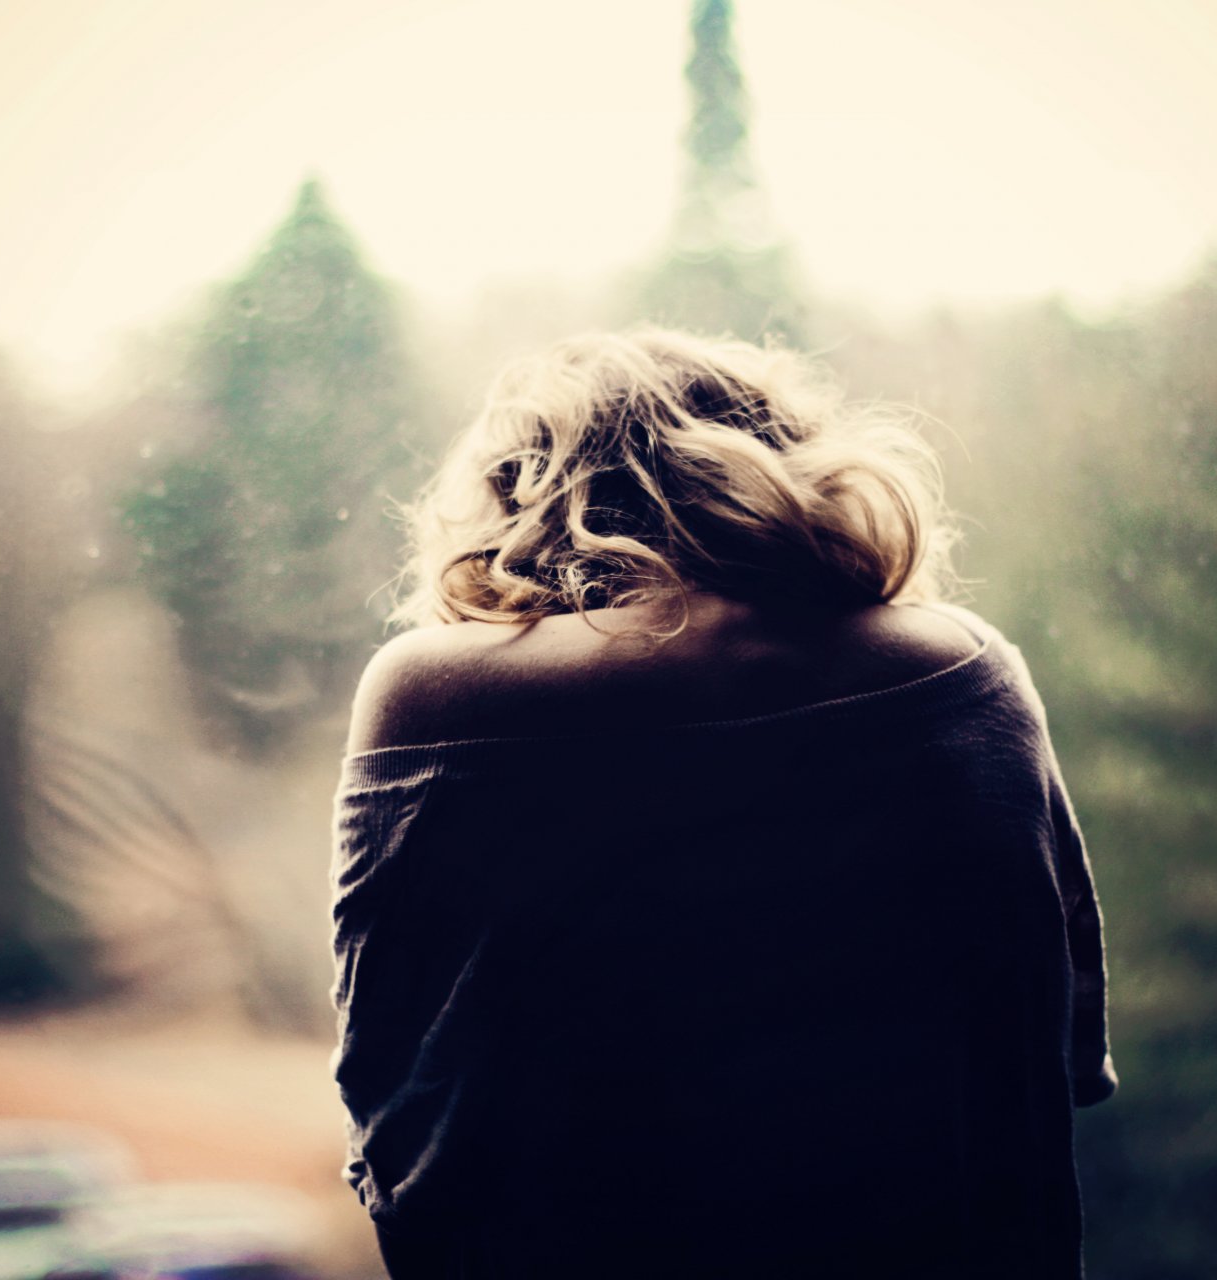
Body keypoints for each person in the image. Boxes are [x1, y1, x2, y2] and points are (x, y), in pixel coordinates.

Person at [330, 329, 1116, 1279]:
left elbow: (393, 1088)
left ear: (520, 493)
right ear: (789, 461)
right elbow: (1054, 1049)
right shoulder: (962, 667)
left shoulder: (438, 693)